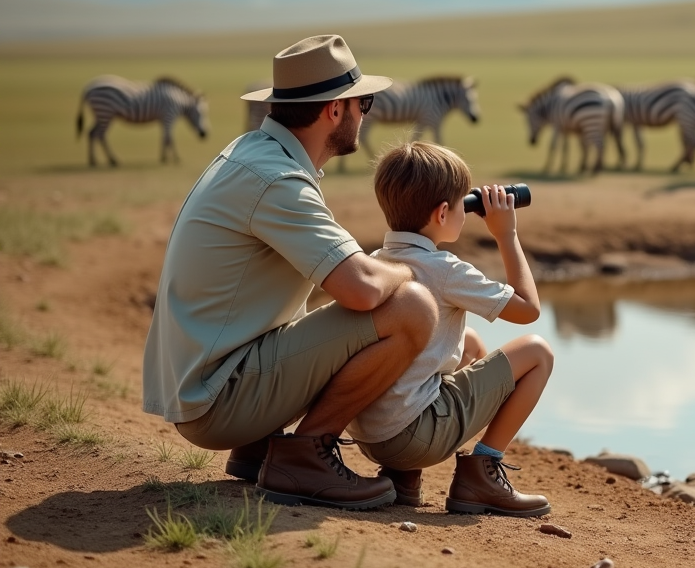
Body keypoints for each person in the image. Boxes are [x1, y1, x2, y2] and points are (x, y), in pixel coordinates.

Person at [142, 34, 437, 510]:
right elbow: (361, 289)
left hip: (203, 384)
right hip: (217, 401)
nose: (368, 112)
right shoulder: (276, 181)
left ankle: (259, 447)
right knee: (413, 308)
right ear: (334, 111)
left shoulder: (253, 153)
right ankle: (305, 458)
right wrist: (405, 266)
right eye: (365, 101)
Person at [346, 140, 554, 517]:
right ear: (443, 213)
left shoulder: (373, 261)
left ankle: (402, 478)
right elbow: (529, 309)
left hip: (372, 435)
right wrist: (506, 234)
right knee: (537, 352)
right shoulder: (445, 270)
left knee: (469, 342)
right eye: (464, 203)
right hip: (414, 437)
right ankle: (483, 473)